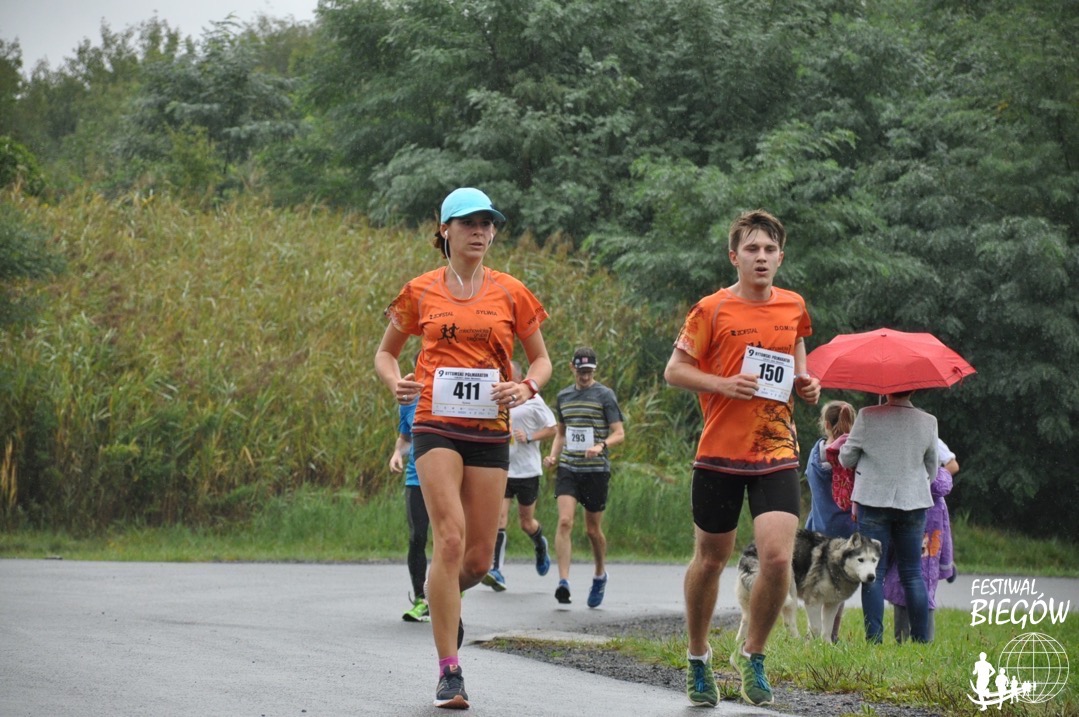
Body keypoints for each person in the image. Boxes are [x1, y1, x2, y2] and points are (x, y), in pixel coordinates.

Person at [374, 187, 552, 709]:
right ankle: (449, 671)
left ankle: (444, 600)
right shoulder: (420, 290)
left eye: (487, 223)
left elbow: (541, 361)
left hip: (490, 431)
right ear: (445, 230)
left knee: (475, 561)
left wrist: (526, 387)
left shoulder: (512, 291)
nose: (480, 231)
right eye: (469, 222)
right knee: (448, 541)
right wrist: (396, 383)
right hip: (436, 425)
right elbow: (385, 354)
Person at [663, 209, 820, 707]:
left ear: (781, 257)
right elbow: (675, 371)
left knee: (777, 558)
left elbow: (797, 355)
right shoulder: (710, 309)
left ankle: (753, 654)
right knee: (711, 559)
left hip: (776, 449)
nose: (761, 257)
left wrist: (807, 383)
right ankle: (698, 656)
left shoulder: (793, 305)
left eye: (770, 249)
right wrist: (722, 384)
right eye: (752, 249)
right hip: (720, 453)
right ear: (735, 256)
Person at [838, 391, 938, 644]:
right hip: (914, 503)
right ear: (913, 389)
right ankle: (921, 640)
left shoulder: (867, 416)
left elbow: (846, 459)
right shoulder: (928, 421)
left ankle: (874, 640)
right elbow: (932, 467)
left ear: (886, 390)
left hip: (873, 501)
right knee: (912, 573)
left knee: (874, 571)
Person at [542, 346, 625, 609]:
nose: (585, 376)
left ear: (594, 371)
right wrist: (553, 456)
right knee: (565, 521)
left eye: (589, 371)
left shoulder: (605, 395)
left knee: (592, 530)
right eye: (581, 371)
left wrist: (601, 445)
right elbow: (561, 433)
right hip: (569, 467)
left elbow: (619, 432)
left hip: (596, 470)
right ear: (572, 368)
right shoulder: (564, 396)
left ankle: (600, 574)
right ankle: (563, 582)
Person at [482, 360, 557, 591]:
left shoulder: (533, 400)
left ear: (519, 377)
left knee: (526, 523)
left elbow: (553, 428)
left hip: (527, 471)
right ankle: (496, 570)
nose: (504, 378)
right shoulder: (497, 398)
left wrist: (530, 436)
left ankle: (540, 543)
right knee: (499, 519)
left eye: (508, 374)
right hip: (504, 468)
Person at [884, 437, 958, 642]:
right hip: (930, 562)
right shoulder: (940, 503)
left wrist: (886, 559)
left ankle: (901, 641)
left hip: (904, 557)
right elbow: (944, 536)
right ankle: (925, 642)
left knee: (901, 592)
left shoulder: (905, 489)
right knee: (926, 595)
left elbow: (893, 531)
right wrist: (946, 563)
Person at [803, 399, 858, 641]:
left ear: (825, 424)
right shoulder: (853, 454)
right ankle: (831, 634)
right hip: (846, 530)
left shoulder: (817, 452)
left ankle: (813, 633)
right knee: (839, 587)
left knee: (816, 582)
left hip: (818, 527)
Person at [389, 390, 431, 622]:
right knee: (417, 537)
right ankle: (421, 600)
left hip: (447, 480)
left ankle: (456, 584)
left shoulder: (449, 396)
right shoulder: (409, 401)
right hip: (416, 479)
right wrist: (398, 453)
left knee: (451, 537)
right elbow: (405, 439)